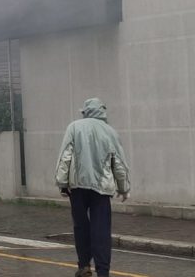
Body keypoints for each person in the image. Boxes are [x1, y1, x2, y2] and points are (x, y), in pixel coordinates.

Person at [55, 98, 131, 277]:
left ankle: (84, 265)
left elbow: (66, 155)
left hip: (78, 186)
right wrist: (123, 188)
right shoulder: (110, 132)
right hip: (102, 189)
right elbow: (118, 163)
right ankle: (103, 271)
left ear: (85, 112)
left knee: (81, 226)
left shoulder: (74, 127)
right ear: (102, 112)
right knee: (101, 229)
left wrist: (62, 183)